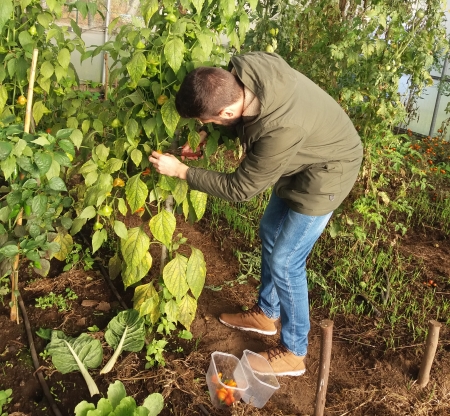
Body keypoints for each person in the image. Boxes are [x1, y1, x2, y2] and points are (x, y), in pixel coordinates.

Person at [149, 51, 363, 376]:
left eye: (205, 121)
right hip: (305, 152)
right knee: (269, 230)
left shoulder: (279, 130)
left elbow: (241, 188)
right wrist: (211, 133)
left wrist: (182, 172)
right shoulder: (245, 71)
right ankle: (266, 312)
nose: (203, 126)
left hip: (330, 170)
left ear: (226, 110)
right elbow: (239, 120)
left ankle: (294, 351)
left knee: (286, 261)